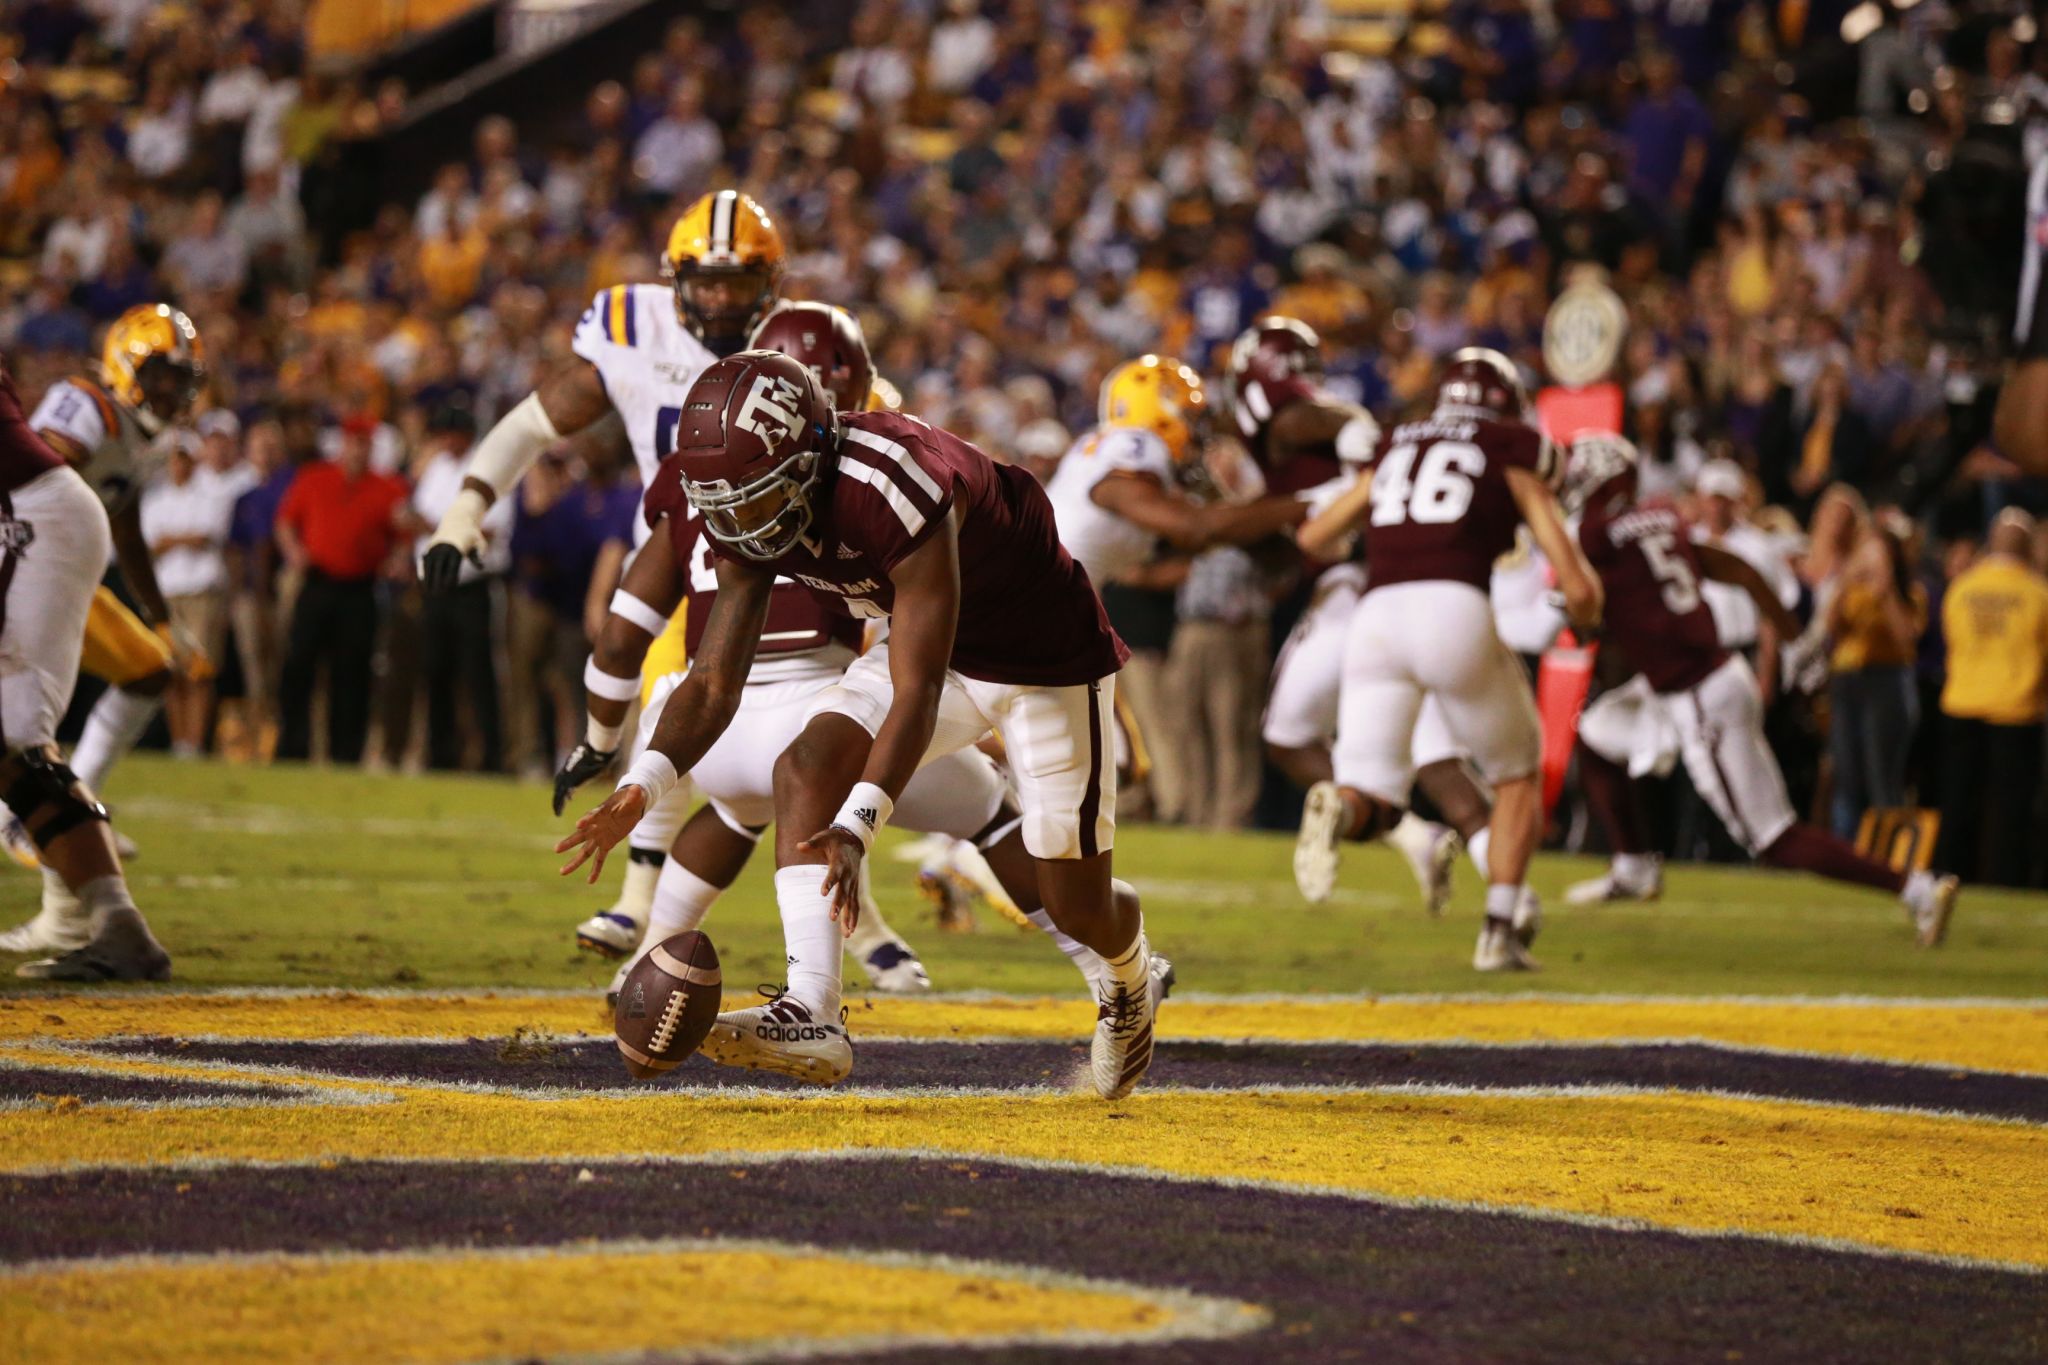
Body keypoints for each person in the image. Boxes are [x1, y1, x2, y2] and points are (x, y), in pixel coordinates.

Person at [556, 350, 1158, 1100]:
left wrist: (860, 822)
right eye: (728, 501)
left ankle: (1131, 973)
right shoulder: (745, 500)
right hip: (925, 640)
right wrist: (643, 783)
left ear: (810, 454)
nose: (740, 520)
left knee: (1077, 903)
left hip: (1043, 661)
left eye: (755, 496)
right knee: (806, 761)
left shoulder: (894, 481)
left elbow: (920, 686)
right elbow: (713, 679)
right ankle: (813, 1010)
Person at [423, 188, 779, 957]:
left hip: (775, 559)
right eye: (706, 280)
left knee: (768, 749)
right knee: (665, 708)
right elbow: (530, 423)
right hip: (675, 545)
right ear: (674, 275)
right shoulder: (632, 325)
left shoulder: (799, 341)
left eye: (738, 282)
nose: (720, 300)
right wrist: (464, 512)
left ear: (769, 284)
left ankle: (874, 915)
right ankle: (636, 902)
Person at [1561, 432, 1959, 945]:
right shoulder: (1660, 517)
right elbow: (1738, 570)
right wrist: (1794, 640)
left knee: (1774, 839)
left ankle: (1915, 889)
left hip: (1697, 694)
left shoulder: (1595, 535)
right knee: (1595, 735)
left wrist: (1578, 613)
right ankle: (1634, 865)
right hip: (1692, 680)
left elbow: (1586, 625)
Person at [1290, 348, 1604, 971]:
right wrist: (1586, 613)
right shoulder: (1510, 445)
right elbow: (1576, 579)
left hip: (1376, 616)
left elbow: (1313, 536)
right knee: (1516, 773)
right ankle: (1498, 932)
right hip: (1452, 606)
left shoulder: (1397, 443)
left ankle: (1341, 806)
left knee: (1371, 795)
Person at [1230, 317, 1503, 914]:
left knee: (1287, 735)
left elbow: (1296, 419)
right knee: (1435, 757)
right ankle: (1507, 896)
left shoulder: (1301, 416)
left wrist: (1355, 423)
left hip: (1355, 592)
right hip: (1414, 595)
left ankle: (1400, 826)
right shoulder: (1368, 438)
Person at [0, 305, 209, 955]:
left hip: (44, 549)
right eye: (163, 375)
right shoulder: (88, 404)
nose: (173, 393)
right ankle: (45, 832)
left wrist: (163, 616)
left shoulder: (135, 428)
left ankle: (32, 815)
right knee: (27, 728)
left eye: (183, 381)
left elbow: (114, 520)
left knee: (30, 729)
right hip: (44, 549)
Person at [1042, 354, 1306, 797]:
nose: (1196, 429)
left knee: (1093, 760)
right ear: (1157, 411)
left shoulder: (1121, 455)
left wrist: (1266, 526)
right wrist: (1309, 502)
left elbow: (1213, 537)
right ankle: (969, 839)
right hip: (1034, 610)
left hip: (1038, 609)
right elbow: (1194, 528)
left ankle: (965, 846)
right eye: (1188, 415)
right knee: (1103, 759)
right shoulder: (1133, 445)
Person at [273, 414, 409, 764]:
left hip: (360, 589)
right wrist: (294, 552)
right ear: (343, 444)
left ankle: (345, 753)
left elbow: (403, 534)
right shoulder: (315, 477)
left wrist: (397, 558)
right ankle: (292, 747)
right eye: (354, 442)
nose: (358, 450)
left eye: (365, 443)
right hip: (317, 583)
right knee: (299, 666)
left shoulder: (387, 488)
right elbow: (286, 521)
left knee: (353, 675)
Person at [1935, 510, 2048, 886]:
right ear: (2029, 547)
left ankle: (1948, 877)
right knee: (2010, 809)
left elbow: (1952, 641)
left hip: (1962, 701)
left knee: (1957, 802)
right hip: (2015, 707)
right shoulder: (2037, 594)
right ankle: (2006, 881)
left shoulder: (1962, 589)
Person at [407, 406, 510, 771]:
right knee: (436, 670)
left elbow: (493, 529)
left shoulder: (489, 468)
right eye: (443, 433)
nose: (448, 440)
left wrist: (439, 530)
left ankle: (492, 757)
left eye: (454, 432)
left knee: (478, 672)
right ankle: (441, 755)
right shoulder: (436, 468)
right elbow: (416, 516)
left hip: (473, 585)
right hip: (435, 584)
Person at [1825, 514, 1926, 838]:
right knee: (1846, 774)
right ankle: (1847, 853)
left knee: (1883, 775)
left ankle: (1887, 856)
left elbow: (1907, 639)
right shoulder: (1851, 592)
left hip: (1887, 681)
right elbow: (1831, 629)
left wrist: (1885, 590)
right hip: (1846, 680)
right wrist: (1844, 582)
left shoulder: (1909, 594)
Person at [139, 431, 232, 755]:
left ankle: (195, 740)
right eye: (175, 458)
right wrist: (182, 539)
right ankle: (180, 742)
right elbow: (151, 544)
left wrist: (170, 541)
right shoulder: (156, 498)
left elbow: (206, 536)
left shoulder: (210, 494)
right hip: (167, 593)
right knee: (172, 671)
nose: (179, 464)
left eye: (184, 458)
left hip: (200, 590)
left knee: (199, 670)